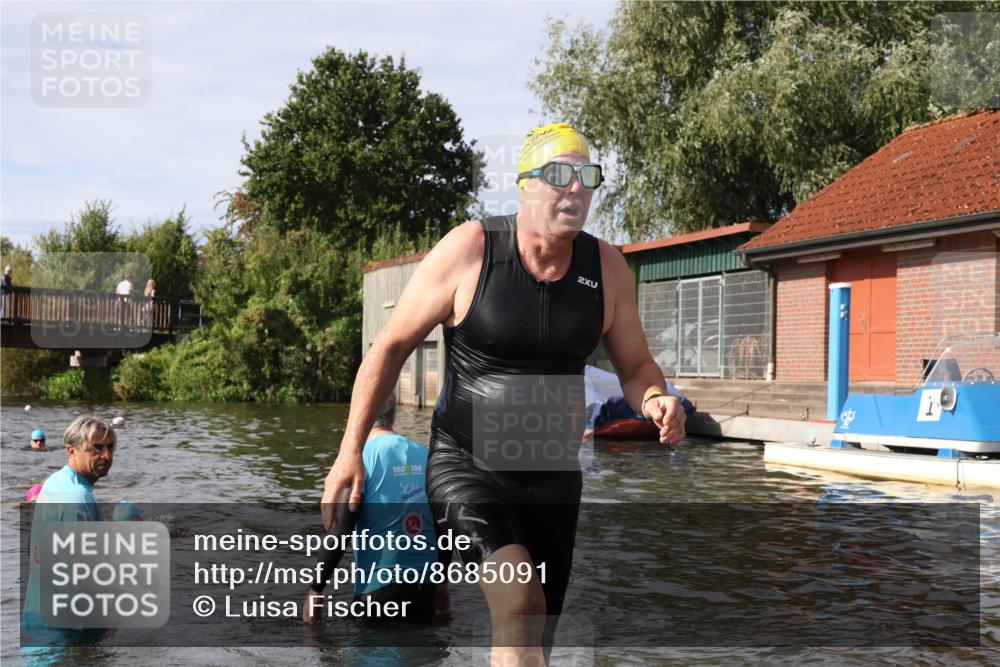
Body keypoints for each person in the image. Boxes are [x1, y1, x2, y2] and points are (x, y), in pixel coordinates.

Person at [321, 122, 686, 664]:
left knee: (536, 630)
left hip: (554, 476)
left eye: (588, 177)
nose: (575, 188)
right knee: (518, 600)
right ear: (525, 185)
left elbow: (634, 365)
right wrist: (350, 451)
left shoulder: (606, 267)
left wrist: (654, 396)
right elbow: (390, 345)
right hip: (466, 464)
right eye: (560, 174)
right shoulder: (472, 249)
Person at [304, 395, 450, 625]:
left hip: (379, 595)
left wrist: (315, 590)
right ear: (393, 415)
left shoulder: (358, 461)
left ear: (356, 418)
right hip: (425, 592)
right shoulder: (426, 456)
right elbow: (444, 526)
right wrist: (441, 585)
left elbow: (340, 534)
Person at [22, 416, 117, 631]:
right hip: (68, 629)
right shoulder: (78, 498)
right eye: (97, 448)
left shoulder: (55, 483)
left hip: (38, 617)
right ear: (72, 450)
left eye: (110, 447)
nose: (107, 456)